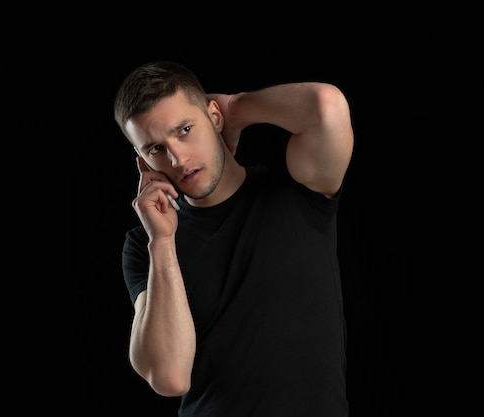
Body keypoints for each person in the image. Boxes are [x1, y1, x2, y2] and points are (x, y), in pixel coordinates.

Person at [114, 60, 354, 416]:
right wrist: (162, 240)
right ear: (143, 164)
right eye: (155, 149)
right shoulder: (145, 245)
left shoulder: (297, 191)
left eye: (184, 129)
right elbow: (169, 377)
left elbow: (325, 104)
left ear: (213, 117)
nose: (177, 159)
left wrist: (235, 108)